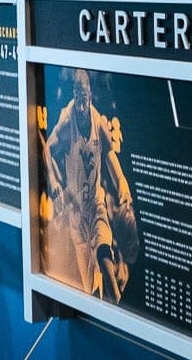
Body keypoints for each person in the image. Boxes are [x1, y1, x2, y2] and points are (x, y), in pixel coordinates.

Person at [42, 68, 138, 301]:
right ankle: (102, 304)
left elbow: (109, 155)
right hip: (76, 211)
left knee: (101, 246)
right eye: (77, 94)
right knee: (89, 284)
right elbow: (47, 149)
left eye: (85, 94)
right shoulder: (66, 120)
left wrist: (122, 181)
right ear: (74, 94)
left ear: (90, 94)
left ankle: (115, 298)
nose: (82, 100)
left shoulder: (98, 122)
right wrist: (54, 180)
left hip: (96, 203)